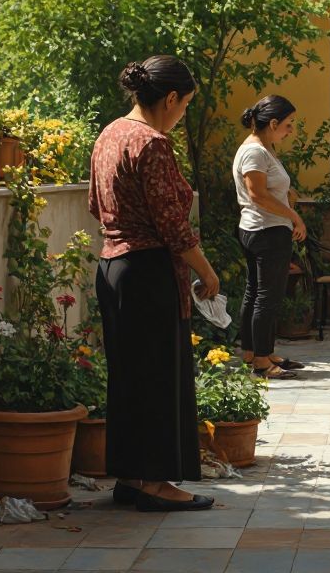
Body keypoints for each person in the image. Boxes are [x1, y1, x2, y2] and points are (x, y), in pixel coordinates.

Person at [89, 55, 218, 512]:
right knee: (159, 376)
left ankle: (131, 476)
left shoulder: (109, 134)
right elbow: (173, 226)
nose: (182, 115)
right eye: (185, 105)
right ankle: (156, 483)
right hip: (148, 271)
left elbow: (94, 204)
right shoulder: (152, 143)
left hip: (112, 268)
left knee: (129, 377)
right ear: (170, 98)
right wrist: (207, 271)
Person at [233, 95, 308, 380]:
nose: (291, 130)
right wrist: (294, 216)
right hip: (267, 232)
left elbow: (266, 190)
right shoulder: (255, 152)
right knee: (267, 297)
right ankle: (262, 362)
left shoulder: (263, 149)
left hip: (260, 229)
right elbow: (257, 194)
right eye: (288, 124)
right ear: (273, 123)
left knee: (256, 293)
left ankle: (254, 353)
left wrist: (287, 196)